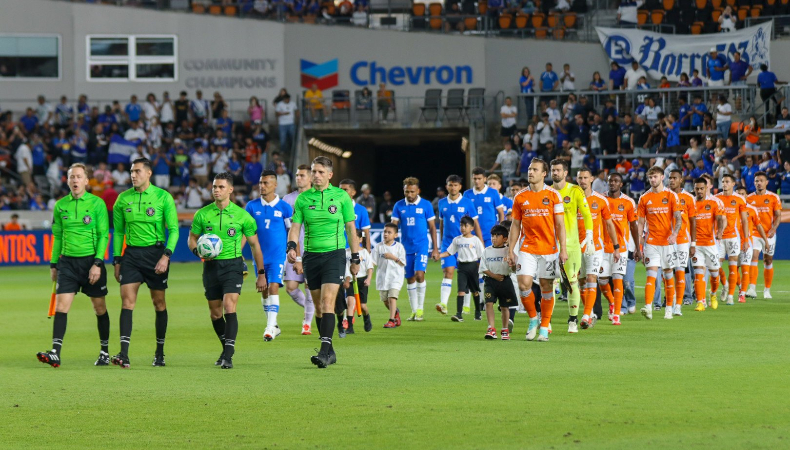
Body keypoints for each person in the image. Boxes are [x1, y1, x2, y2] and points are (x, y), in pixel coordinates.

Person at [286, 156, 360, 369]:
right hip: (311, 256)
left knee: (328, 303)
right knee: (318, 307)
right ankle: (329, 350)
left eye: (320, 172)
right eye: (313, 171)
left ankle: (323, 351)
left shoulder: (341, 197)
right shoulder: (302, 199)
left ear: (330, 175)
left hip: (334, 255)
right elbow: (295, 227)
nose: (315, 175)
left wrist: (355, 257)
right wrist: (292, 247)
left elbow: (350, 229)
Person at [189, 173, 266, 369]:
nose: (216, 190)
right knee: (215, 314)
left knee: (229, 306)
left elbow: (255, 246)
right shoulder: (202, 214)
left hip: (232, 265)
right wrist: (197, 250)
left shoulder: (242, 216)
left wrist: (261, 273)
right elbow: (191, 238)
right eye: (214, 186)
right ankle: (226, 348)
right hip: (210, 267)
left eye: (221, 187)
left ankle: (228, 355)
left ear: (230, 190)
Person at [37, 163, 110, 368]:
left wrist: (97, 263)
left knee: (99, 308)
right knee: (61, 306)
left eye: (78, 177)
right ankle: (55, 353)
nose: (75, 180)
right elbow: (57, 237)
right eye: (71, 177)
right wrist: (53, 264)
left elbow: (104, 235)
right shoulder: (60, 206)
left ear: (86, 180)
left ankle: (104, 351)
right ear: (67, 180)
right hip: (67, 263)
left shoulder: (97, 204)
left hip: (91, 263)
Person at [111, 158, 179, 368]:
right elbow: (119, 232)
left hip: (156, 254)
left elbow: (174, 230)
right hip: (131, 255)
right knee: (126, 301)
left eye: (138, 171)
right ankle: (124, 354)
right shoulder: (122, 199)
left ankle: (159, 352)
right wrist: (116, 259)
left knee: (159, 302)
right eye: (132, 171)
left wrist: (166, 256)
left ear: (148, 173)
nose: (133, 175)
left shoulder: (162, 197)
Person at [508, 158, 568, 342]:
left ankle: (544, 326)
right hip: (527, 248)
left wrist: (563, 249)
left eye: (535, 169)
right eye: (529, 169)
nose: (530, 172)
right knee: (524, 284)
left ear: (544, 174)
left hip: (549, 249)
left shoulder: (553, 195)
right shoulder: (520, 197)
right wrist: (510, 250)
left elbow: (559, 224)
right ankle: (533, 318)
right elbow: (515, 225)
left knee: (546, 287)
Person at [245, 169, 294, 342]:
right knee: (264, 291)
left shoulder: (284, 207)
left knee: (273, 286)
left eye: (265, 183)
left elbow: (292, 231)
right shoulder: (251, 206)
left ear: (275, 185)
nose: (262, 186)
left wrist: (294, 251)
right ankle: (273, 325)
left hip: (277, 256)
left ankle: (269, 328)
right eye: (260, 183)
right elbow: (246, 232)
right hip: (258, 256)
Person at [550, 159, 593, 333]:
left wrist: (589, 236)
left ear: (565, 173)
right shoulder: (547, 191)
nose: (555, 173)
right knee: (549, 284)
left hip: (572, 246)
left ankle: (573, 320)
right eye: (553, 170)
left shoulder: (575, 191)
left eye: (558, 170)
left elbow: (587, 214)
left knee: (572, 283)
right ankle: (547, 321)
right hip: (550, 245)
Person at [391, 177, 440, 321]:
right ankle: (413, 311)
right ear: (404, 191)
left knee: (419, 275)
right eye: (407, 192)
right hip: (405, 248)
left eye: (412, 192)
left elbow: (432, 227)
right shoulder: (398, 205)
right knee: (410, 279)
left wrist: (435, 248)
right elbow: (393, 226)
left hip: (421, 246)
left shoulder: (426, 205)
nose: (409, 195)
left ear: (418, 191)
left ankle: (420, 309)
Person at [637, 166, 682, 320]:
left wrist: (675, 234)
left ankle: (669, 308)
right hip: (651, 242)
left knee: (668, 275)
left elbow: (678, 218)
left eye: (655, 176)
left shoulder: (671, 196)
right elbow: (641, 222)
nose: (652, 180)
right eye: (650, 177)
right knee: (651, 275)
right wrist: (640, 240)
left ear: (662, 177)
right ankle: (648, 307)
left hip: (668, 243)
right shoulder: (644, 198)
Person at [575, 169, 618, 328]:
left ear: (592, 179)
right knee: (581, 281)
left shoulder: (600, 200)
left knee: (592, 278)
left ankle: (586, 316)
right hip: (577, 247)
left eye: (586, 177)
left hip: (595, 247)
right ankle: (591, 312)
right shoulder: (572, 200)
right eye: (580, 177)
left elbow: (609, 224)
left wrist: (616, 247)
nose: (583, 180)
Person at [436, 174, 483, 314]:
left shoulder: (467, 202)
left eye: (455, 185)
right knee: (448, 272)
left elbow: (476, 225)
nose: (453, 187)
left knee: (467, 275)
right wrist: (441, 244)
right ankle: (443, 304)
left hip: (465, 244)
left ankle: (467, 306)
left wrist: (480, 243)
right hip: (448, 243)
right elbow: (442, 224)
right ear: (447, 186)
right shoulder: (441, 203)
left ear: (460, 187)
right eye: (450, 185)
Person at [282, 165, 317, 335]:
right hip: (293, 250)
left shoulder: (316, 198)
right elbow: (287, 228)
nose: (298, 178)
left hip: (312, 249)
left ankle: (307, 323)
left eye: (302, 175)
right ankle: (314, 309)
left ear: (310, 178)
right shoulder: (287, 200)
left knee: (311, 287)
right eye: (297, 175)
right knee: (291, 287)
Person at [601, 172, 640, 323]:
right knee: (603, 280)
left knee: (619, 279)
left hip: (621, 248)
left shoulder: (628, 202)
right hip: (603, 248)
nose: (612, 183)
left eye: (616, 181)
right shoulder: (601, 199)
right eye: (610, 181)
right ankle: (612, 302)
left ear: (621, 184)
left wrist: (637, 247)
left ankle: (616, 314)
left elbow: (634, 226)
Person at [438, 216, 485, 322]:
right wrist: (439, 256)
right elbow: (449, 252)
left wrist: (483, 268)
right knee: (461, 291)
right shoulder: (457, 240)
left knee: (475, 291)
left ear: (472, 228)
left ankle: (477, 312)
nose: (463, 228)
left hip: (473, 266)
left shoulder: (476, 240)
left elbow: (481, 255)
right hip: (462, 267)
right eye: (461, 225)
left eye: (465, 225)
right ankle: (459, 314)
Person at [714, 174, 750, 305]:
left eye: (727, 182)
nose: (724, 184)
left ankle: (730, 296)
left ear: (733, 184)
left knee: (733, 266)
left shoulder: (739, 199)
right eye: (723, 181)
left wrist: (745, 239)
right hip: (719, 238)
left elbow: (745, 221)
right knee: (716, 266)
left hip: (733, 237)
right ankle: (725, 285)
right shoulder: (716, 198)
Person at [691, 177, 725, 311]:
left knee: (714, 274)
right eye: (697, 188)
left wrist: (720, 231)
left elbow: (720, 219)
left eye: (701, 188)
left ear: (706, 188)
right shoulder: (691, 202)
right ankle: (700, 302)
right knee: (698, 272)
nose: (699, 191)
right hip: (696, 244)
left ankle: (713, 294)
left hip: (711, 243)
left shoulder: (714, 202)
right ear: (694, 188)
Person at [746, 172, 781, 299]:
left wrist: (774, 228)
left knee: (768, 259)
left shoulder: (773, 197)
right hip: (754, 233)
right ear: (754, 183)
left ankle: (767, 290)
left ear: (766, 182)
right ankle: (752, 289)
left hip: (768, 234)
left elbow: (778, 215)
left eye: (761, 180)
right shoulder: (748, 198)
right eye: (756, 181)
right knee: (753, 256)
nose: (758, 183)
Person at [478, 224, 517, 339]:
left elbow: (513, 269)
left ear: (505, 238)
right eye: (492, 236)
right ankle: (491, 328)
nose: (494, 238)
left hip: (505, 281)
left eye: (497, 235)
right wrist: (494, 276)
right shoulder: (486, 251)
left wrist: (513, 265)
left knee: (505, 306)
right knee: (488, 303)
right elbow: (483, 268)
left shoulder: (508, 252)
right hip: (490, 281)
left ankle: (505, 330)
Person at [667, 169, 697, 316]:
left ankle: (678, 304)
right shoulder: (664, 196)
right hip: (665, 241)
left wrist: (693, 243)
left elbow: (692, 221)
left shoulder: (689, 198)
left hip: (682, 241)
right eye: (670, 178)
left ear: (681, 180)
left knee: (680, 272)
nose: (671, 180)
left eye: (675, 178)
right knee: (667, 273)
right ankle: (670, 300)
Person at [371, 223, 406, 328]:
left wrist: (393, 257)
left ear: (395, 235)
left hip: (395, 277)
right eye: (385, 232)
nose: (386, 234)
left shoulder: (399, 247)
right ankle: (396, 314)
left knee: (392, 298)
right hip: (382, 278)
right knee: (386, 301)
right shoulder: (378, 247)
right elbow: (373, 262)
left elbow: (403, 262)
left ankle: (391, 320)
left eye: (389, 232)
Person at [736, 185, 766, 303]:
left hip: (746, 243)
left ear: (746, 195)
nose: (740, 196)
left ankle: (742, 294)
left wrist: (766, 241)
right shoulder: (731, 208)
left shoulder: (752, 209)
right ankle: (739, 287)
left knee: (745, 268)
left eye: (742, 194)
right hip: (733, 242)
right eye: (738, 194)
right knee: (734, 268)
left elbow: (758, 225)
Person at [339, 179, 372, 253]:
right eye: (340, 189)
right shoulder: (333, 209)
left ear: (353, 192)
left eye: (345, 190)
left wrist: (367, 251)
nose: (342, 192)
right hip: (336, 250)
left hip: (354, 250)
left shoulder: (361, 210)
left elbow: (365, 233)